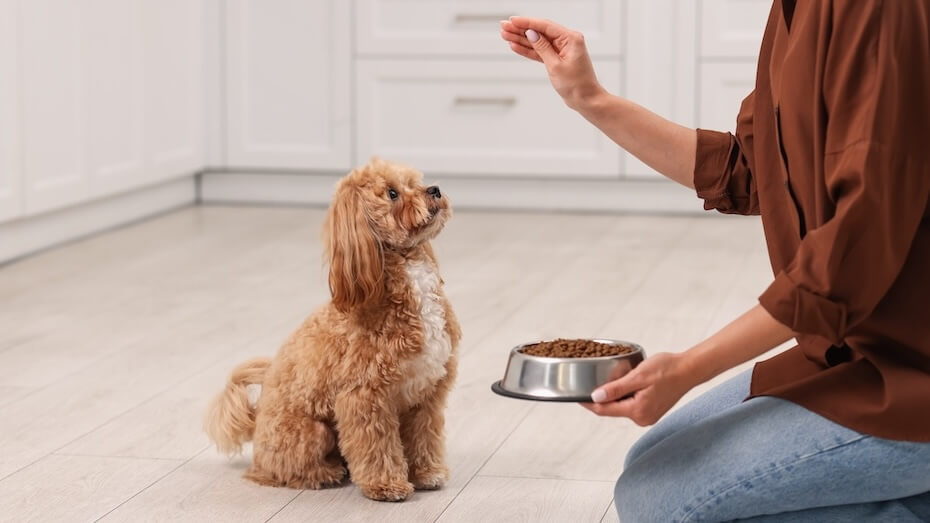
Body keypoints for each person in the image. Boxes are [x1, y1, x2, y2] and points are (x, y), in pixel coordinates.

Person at [501, 2, 930, 521]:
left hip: (911, 374)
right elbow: (750, 172)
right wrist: (589, 98)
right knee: (650, 465)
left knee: (662, 502)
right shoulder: (791, 12)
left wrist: (686, 369)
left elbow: (847, 261)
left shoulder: (879, 10)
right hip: (852, 352)